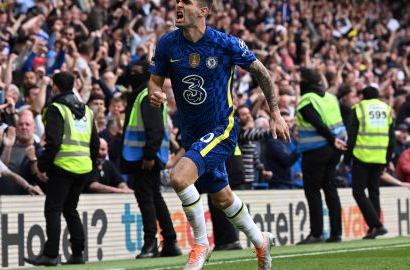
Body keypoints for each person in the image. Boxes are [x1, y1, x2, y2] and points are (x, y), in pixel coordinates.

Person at [148, 1, 289, 269]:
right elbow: (154, 81)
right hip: (191, 134)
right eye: (177, 1)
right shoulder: (167, 44)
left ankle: (201, 244)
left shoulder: (225, 43)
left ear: (203, 11)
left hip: (220, 129)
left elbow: (262, 71)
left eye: (186, 2)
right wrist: (153, 93)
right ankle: (260, 240)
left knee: (179, 177)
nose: (178, 5)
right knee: (222, 197)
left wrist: (275, 113)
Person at [24, 72, 100, 266]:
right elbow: (95, 144)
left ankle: (50, 255)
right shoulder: (87, 111)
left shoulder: (56, 109)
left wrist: (42, 165)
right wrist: (89, 166)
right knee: (70, 209)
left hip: (62, 167)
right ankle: (77, 253)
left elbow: (53, 142)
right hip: (83, 168)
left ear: (55, 88)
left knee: (53, 209)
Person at [121, 59, 181, 259]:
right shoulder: (145, 94)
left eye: (137, 71)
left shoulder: (146, 94)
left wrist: (148, 155)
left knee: (147, 199)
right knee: (155, 197)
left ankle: (150, 244)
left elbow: (154, 128)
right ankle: (170, 242)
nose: (132, 75)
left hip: (145, 158)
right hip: (147, 156)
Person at [295, 68, 347, 244]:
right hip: (335, 151)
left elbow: (317, 123)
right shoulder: (331, 98)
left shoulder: (306, 100)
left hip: (316, 151)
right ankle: (336, 233)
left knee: (313, 192)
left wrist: (332, 139)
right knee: (331, 190)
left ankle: (316, 233)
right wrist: (337, 141)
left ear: (304, 81)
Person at [344, 86, 395, 239]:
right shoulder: (386, 109)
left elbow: (352, 136)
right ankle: (374, 227)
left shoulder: (359, 108)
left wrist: (347, 159)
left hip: (362, 155)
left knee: (358, 192)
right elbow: (391, 137)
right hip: (379, 156)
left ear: (363, 96)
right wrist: (387, 159)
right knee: (374, 192)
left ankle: (377, 225)